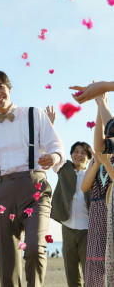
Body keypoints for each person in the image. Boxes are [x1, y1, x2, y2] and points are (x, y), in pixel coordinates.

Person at [0, 70, 65, 287]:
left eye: (0, 87)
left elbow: (57, 146)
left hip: (34, 188)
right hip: (0, 192)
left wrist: (53, 156)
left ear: (9, 88)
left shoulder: (35, 114)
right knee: (7, 263)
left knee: (34, 247)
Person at [80, 94, 114, 287]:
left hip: (111, 210)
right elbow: (85, 187)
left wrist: (107, 163)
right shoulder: (98, 158)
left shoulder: (109, 159)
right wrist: (96, 163)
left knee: (109, 257)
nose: (108, 137)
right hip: (96, 211)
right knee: (95, 258)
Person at [51, 141, 91, 287]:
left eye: (83, 152)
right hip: (67, 226)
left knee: (89, 272)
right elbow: (54, 149)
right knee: (71, 271)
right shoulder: (64, 168)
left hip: (87, 229)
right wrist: (51, 124)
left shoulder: (92, 174)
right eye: (76, 151)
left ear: (88, 157)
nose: (79, 155)